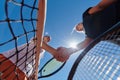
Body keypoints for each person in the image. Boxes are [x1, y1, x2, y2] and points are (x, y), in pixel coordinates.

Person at [54, 0, 120, 62]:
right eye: (77, 29)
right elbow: (85, 43)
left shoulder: (85, 16)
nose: (78, 27)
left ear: (80, 23)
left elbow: (100, 6)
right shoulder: (89, 36)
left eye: (77, 25)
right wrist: (68, 51)